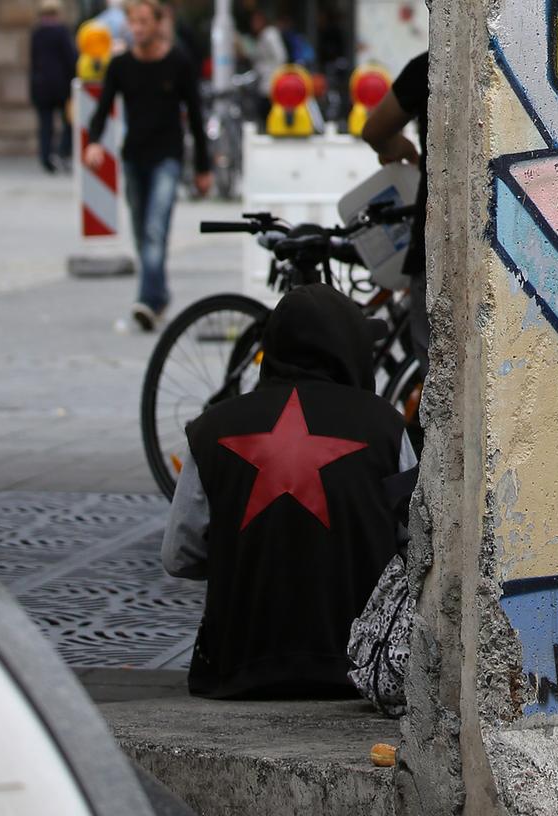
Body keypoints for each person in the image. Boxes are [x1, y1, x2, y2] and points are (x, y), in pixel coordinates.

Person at [162, 284, 417, 699]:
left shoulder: (210, 429)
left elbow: (178, 556)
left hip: (235, 671)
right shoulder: (385, 427)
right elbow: (420, 545)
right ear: (345, 351)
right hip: (357, 669)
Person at [84, 0, 210, 332]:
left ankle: (146, 302)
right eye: (132, 21)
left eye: (142, 21)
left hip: (167, 157)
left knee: (155, 230)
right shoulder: (121, 65)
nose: (136, 28)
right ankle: (160, 293)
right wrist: (94, 141)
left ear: (157, 23)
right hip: (133, 157)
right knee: (142, 235)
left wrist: (202, 167)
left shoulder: (178, 63)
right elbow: (103, 108)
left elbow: (196, 117)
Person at [362, 52, 430, 377]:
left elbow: (375, 131)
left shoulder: (429, 65)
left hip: (433, 244)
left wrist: (401, 149)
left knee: (437, 371)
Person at [28, 0, 76, 174]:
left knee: (45, 125)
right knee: (69, 122)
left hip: (41, 86)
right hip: (61, 86)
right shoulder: (61, 32)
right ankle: (62, 152)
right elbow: (71, 58)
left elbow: (33, 62)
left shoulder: (37, 33)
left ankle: (46, 157)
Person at [249, 8, 287, 115]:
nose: (254, 24)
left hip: (271, 82)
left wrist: (274, 75)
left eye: (256, 21)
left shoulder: (270, 34)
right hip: (265, 82)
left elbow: (281, 57)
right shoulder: (262, 36)